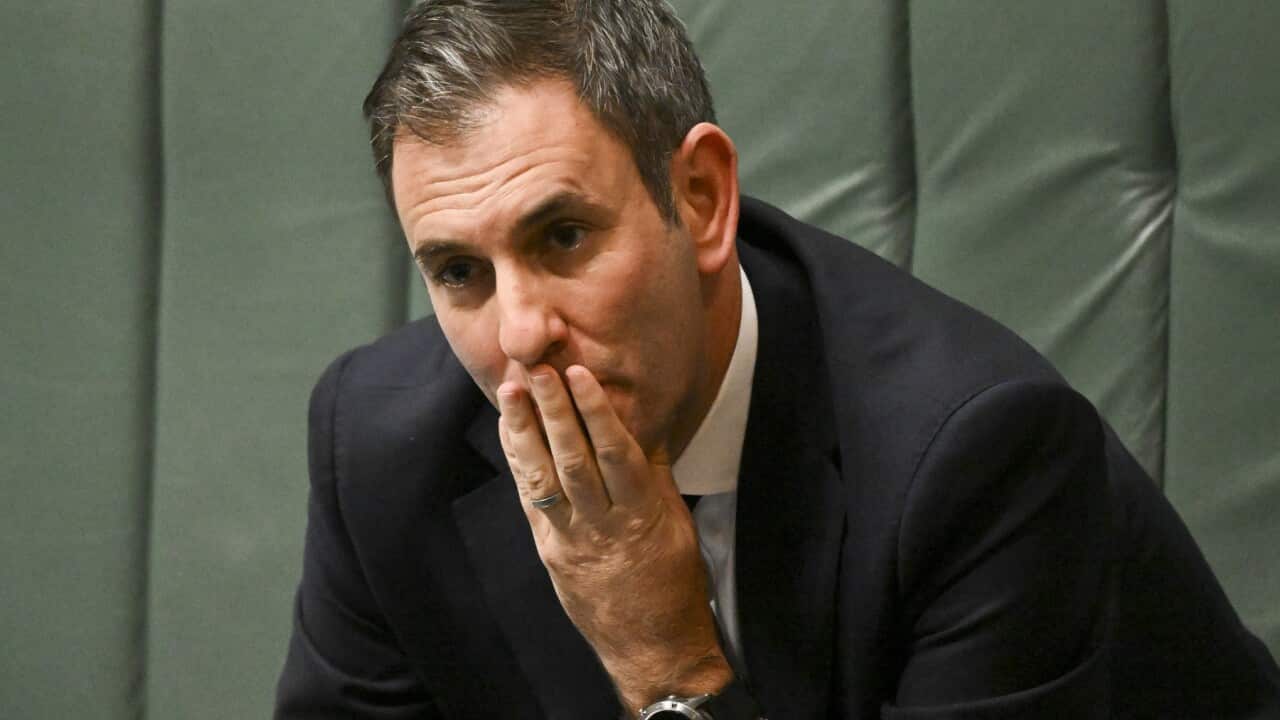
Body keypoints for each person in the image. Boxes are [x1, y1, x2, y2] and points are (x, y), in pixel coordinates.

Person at [275, 1, 1280, 718]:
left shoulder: (977, 455)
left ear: (701, 198)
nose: (520, 332)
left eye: (563, 237)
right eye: (458, 271)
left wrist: (666, 665)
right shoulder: (379, 444)